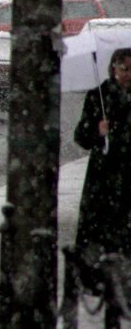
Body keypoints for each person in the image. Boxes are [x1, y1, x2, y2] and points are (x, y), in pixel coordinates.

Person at [74, 47, 131, 291]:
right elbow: (81, 137)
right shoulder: (99, 96)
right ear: (114, 69)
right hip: (103, 175)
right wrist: (98, 131)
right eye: (124, 69)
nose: (128, 74)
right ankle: (93, 277)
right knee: (97, 228)